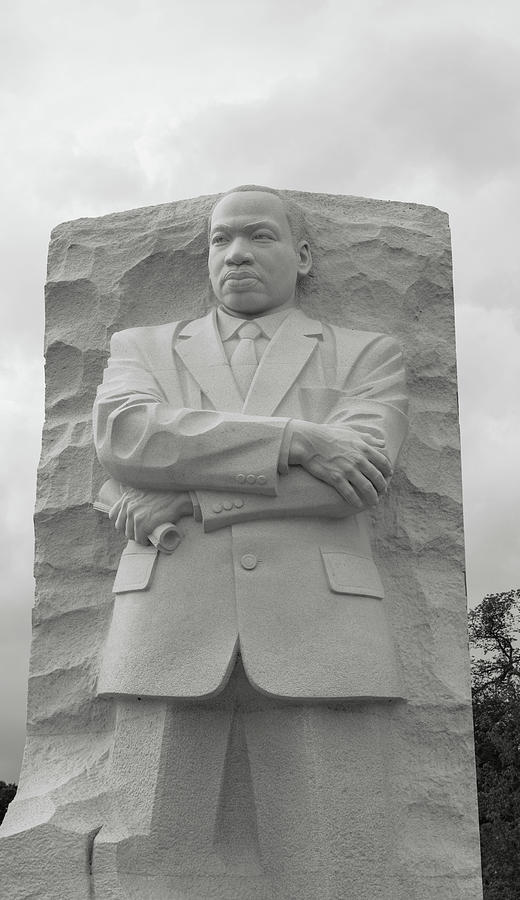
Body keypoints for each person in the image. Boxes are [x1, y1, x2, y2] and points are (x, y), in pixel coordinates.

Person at [91, 186, 409, 895]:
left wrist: (193, 495)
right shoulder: (141, 348)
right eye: (220, 239)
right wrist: (298, 438)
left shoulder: (365, 355)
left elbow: (351, 481)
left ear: (302, 255)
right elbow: (126, 437)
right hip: (167, 622)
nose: (235, 254)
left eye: (259, 237)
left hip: (320, 627)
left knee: (336, 856)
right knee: (148, 860)